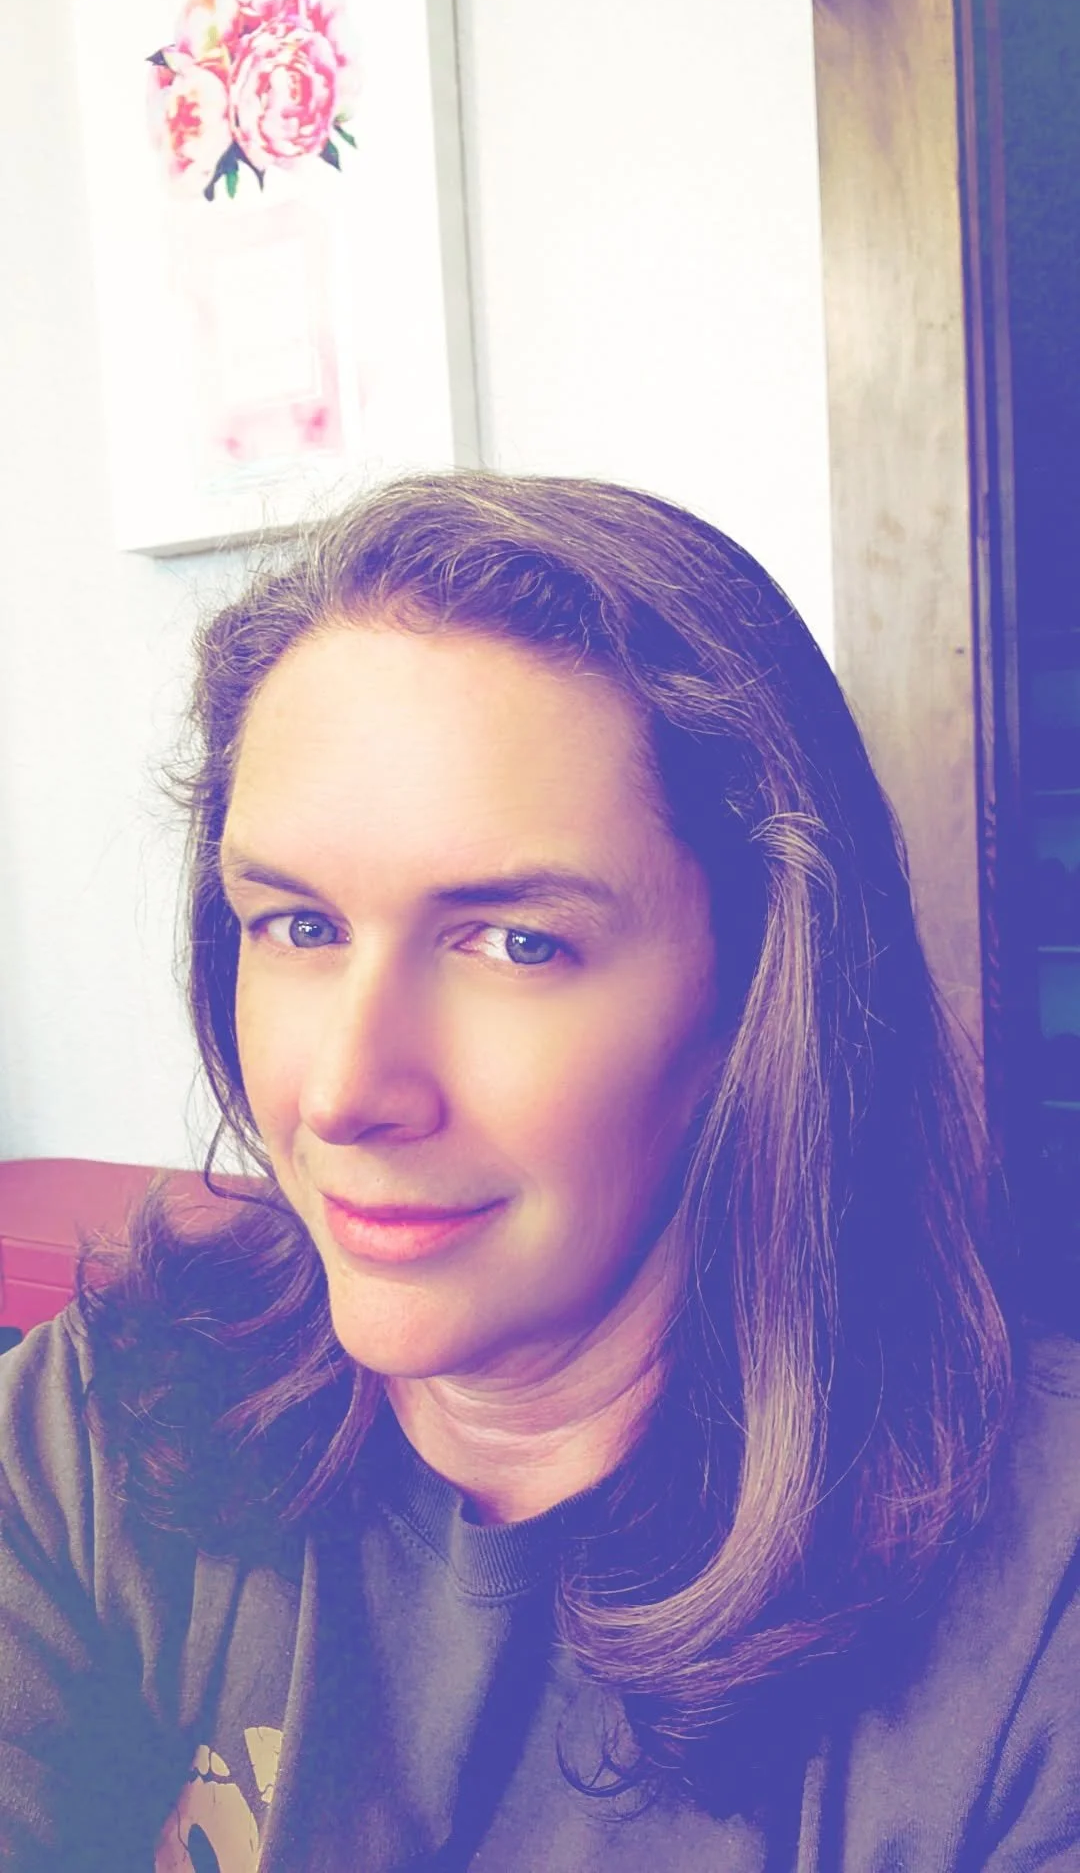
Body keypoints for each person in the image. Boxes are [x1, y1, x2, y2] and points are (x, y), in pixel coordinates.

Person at [0, 472, 1077, 1873]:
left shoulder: (1034, 1615)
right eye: (299, 925)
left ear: (762, 990)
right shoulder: (99, 1426)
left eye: (517, 944)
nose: (342, 1094)